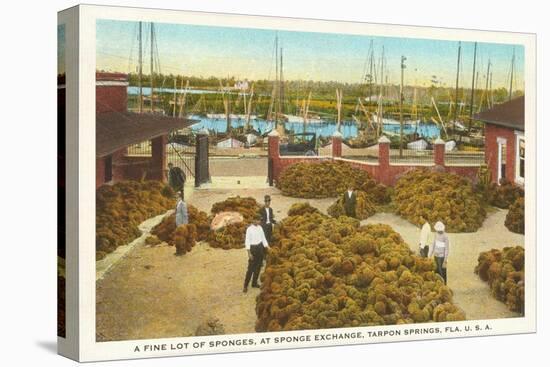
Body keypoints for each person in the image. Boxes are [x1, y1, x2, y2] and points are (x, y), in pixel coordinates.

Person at [243, 216, 269, 293]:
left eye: (259, 220)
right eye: (257, 220)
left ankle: (254, 283)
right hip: (253, 249)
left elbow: (263, 238)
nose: (259, 222)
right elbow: (247, 241)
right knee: (250, 269)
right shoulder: (249, 229)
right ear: (253, 220)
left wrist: (267, 247)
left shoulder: (260, 228)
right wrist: (249, 253)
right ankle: (245, 285)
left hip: (260, 248)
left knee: (258, 267)